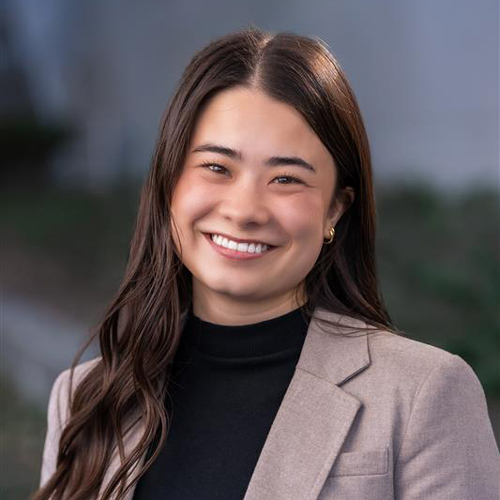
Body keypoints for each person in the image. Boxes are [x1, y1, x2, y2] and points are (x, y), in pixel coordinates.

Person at [32, 27, 500, 500]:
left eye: (286, 178)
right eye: (217, 168)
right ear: (170, 182)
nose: (244, 210)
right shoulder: (85, 399)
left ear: (335, 208)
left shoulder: (423, 393)